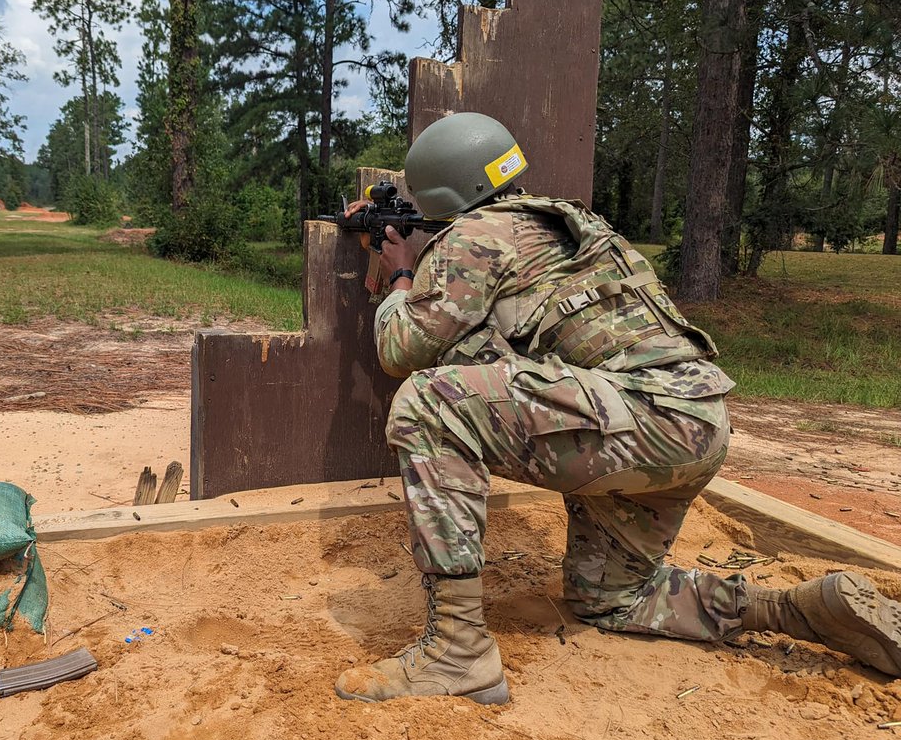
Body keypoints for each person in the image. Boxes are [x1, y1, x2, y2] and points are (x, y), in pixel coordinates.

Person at [333, 111, 901, 705]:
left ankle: (456, 652)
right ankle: (794, 609)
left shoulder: (476, 236)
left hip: (636, 418)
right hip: (698, 423)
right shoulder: (579, 230)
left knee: (427, 403)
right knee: (613, 599)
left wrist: (401, 272)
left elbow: (402, 349)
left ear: (444, 194)